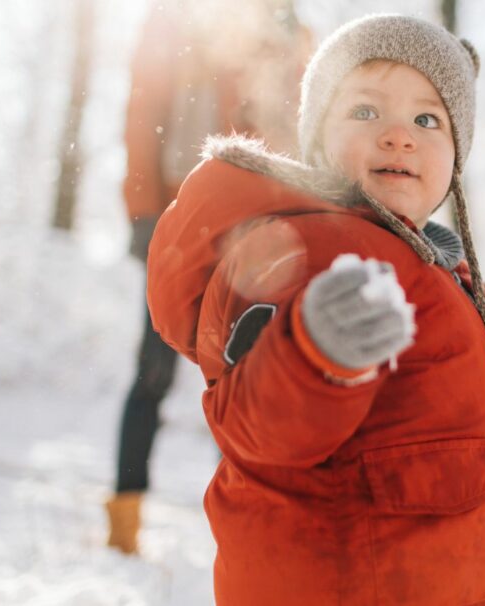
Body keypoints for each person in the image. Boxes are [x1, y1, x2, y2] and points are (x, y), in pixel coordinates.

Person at [145, 14, 485, 605]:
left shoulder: (451, 277)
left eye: (427, 119)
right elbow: (257, 426)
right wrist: (315, 351)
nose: (399, 135)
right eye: (365, 112)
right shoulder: (303, 247)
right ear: (317, 139)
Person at [105, 0, 313, 555]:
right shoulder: (169, 21)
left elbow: (298, 127)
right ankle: (125, 514)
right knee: (153, 371)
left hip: (250, 231)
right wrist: (143, 210)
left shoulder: (284, 27)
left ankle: (245, 521)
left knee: (244, 377)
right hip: (175, 223)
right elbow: (142, 113)